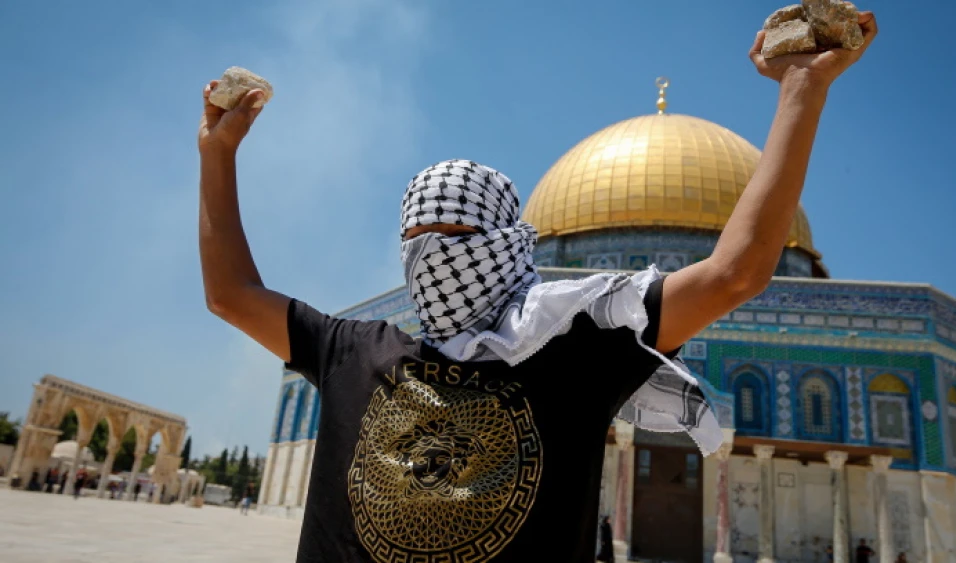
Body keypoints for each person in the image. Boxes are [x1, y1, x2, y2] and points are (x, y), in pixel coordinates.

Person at [196, 10, 877, 563]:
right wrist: (217, 155)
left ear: (510, 247)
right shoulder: (354, 351)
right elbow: (229, 293)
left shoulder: (572, 355)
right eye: (417, 244)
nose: (436, 261)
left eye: (457, 242)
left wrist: (801, 91)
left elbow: (737, 271)